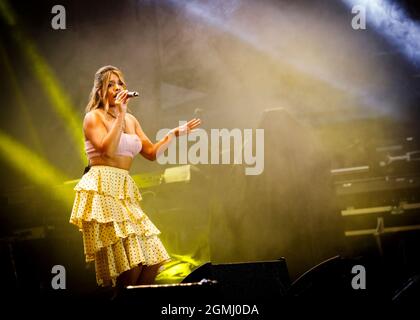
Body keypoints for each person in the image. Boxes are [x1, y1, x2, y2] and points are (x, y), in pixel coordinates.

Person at [69, 65, 201, 288]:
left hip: (124, 189)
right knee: (129, 266)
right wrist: (120, 113)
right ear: (100, 91)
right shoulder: (93, 117)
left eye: (120, 83)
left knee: (152, 260)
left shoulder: (131, 120)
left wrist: (173, 134)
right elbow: (107, 150)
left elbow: (151, 153)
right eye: (110, 84)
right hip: (103, 189)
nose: (117, 87)